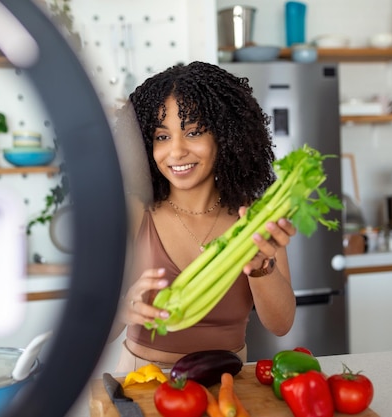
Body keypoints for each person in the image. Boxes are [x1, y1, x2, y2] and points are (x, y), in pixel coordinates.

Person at [110, 61, 297, 372]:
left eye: (193, 132)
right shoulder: (133, 214)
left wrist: (261, 268)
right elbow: (93, 326)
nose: (176, 151)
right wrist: (122, 311)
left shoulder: (253, 217)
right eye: (161, 136)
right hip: (142, 384)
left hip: (228, 386)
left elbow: (281, 325)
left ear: (226, 136)